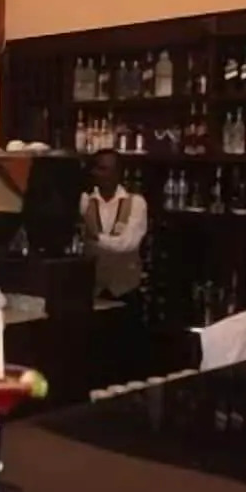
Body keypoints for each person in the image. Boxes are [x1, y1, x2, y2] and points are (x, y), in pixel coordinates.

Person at [79, 148, 149, 373]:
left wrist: (95, 239)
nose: (100, 174)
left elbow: (128, 243)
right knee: (94, 360)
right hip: (94, 292)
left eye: (105, 169)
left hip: (125, 292)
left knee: (125, 361)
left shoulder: (136, 203)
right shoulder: (84, 202)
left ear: (119, 173)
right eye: (97, 168)